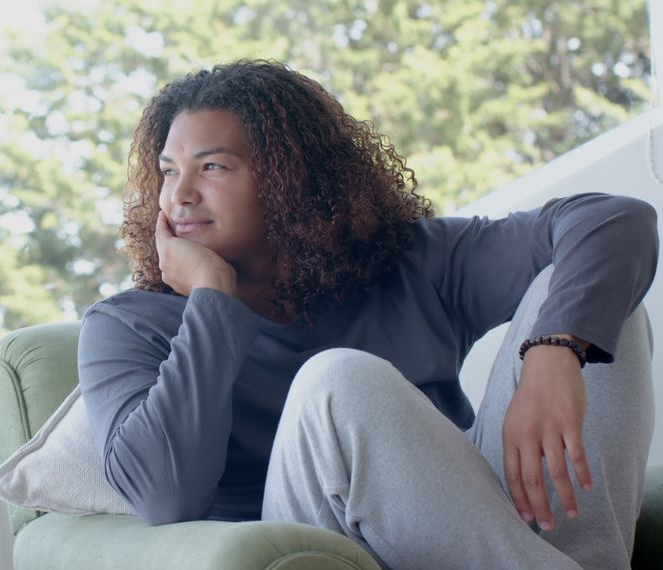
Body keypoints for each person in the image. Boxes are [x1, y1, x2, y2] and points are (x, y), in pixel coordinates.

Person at [76, 60, 658, 569]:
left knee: (591, 299)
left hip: (470, 537)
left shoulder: (402, 260)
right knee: (337, 380)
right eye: (170, 170)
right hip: (316, 545)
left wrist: (555, 351)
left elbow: (613, 221)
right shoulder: (127, 325)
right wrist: (210, 299)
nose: (179, 195)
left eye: (214, 167)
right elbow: (163, 496)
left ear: (289, 180)